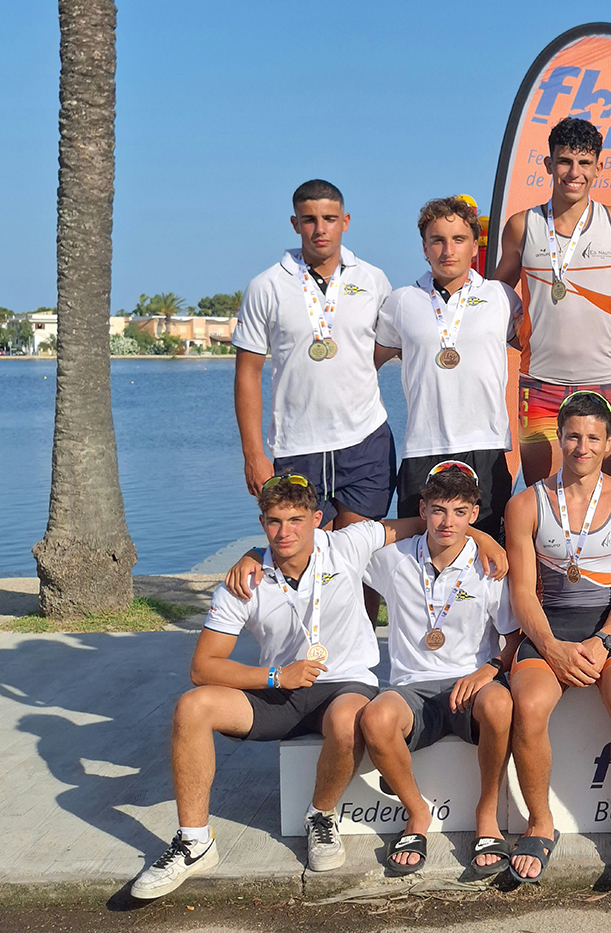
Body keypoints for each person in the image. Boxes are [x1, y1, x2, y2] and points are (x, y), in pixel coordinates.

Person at [130, 474, 409, 899]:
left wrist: (484, 541)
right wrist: (277, 676)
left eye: (296, 520)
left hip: (344, 684)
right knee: (192, 706)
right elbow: (203, 667)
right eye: (275, 521)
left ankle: (320, 816)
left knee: (348, 719)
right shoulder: (245, 580)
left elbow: (423, 523)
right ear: (262, 523)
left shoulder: (347, 544)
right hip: (279, 692)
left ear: (317, 519)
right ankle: (194, 842)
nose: (285, 532)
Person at [503, 391, 611, 884]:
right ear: (559, 439)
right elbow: (522, 594)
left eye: (593, 438)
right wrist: (551, 647)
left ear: (610, 444)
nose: (582, 447)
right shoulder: (525, 504)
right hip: (550, 630)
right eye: (572, 437)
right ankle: (539, 822)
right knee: (528, 707)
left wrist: (603, 641)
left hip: (610, 631)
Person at [350, 463, 519, 876]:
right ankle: (417, 813)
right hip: (411, 689)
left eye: (460, 512)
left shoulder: (488, 566)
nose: (448, 522)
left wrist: (489, 669)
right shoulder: (391, 559)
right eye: (439, 510)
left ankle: (486, 815)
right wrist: (253, 555)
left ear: (474, 514)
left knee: (500, 704)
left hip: (471, 685)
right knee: (375, 717)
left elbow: (514, 637)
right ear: (423, 509)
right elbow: (332, 546)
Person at [234, 179, 395, 528]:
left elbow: (389, 346)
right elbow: (247, 372)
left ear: (345, 221)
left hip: (365, 442)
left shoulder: (373, 280)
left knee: (357, 550)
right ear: (295, 224)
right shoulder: (266, 287)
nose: (320, 229)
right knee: (306, 552)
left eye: (330, 219)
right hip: (297, 447)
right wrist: (253, 453)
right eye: (309, 219)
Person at [375, 197, 520, 541]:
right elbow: (367, 368)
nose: (448, 250)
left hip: (485, 445)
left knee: (487, 552)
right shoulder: (401, 301)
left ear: (474, 245)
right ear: (424, 247)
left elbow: (536, 352)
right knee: (418, 552)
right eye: (437, 240)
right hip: (422, 447)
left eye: (458, 239)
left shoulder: (501, 297)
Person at [494, 118, 611, 485]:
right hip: (540, 381)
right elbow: (494, 293)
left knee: (603, 494)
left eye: (585, 163)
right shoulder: (522, 225)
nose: (574, 172)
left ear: (599, 168)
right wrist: (514, 332)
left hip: (600, 379)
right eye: (565, 161)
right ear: (548, 164)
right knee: (542, 494)